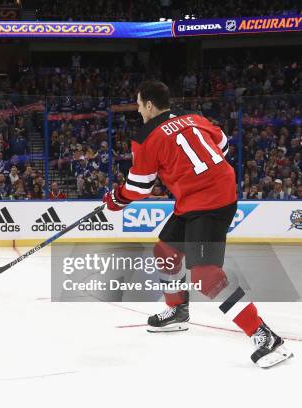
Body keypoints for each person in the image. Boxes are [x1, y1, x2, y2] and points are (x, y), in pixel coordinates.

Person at [102, 80, 292, 368]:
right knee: (165, 250)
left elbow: (140, 186)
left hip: (210, 203)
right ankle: (177, 310)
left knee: (205, 275)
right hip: (199, 197)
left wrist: (116, 199)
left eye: (139, 104)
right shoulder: (195, 118)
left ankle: (264, 334)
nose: (139, 110)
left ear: (149, 105)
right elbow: (223, 146)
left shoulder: (146, 136)